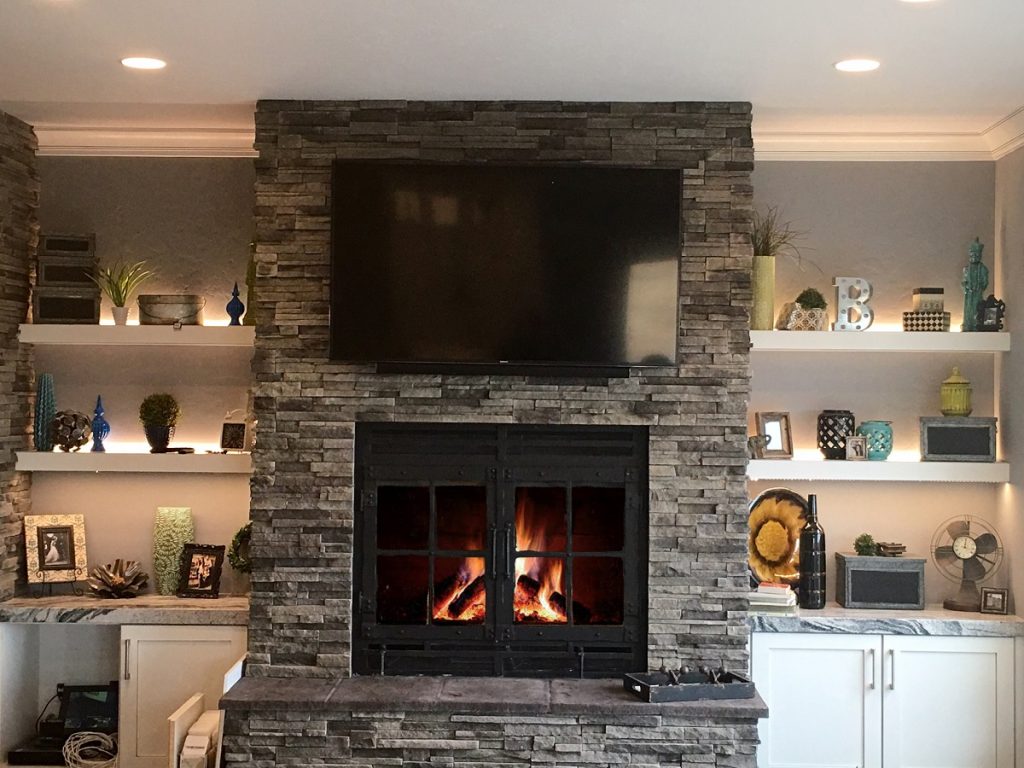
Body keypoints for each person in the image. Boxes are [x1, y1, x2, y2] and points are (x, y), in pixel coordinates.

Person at [961, 238, 988, 331]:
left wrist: (979, 287)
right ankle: (967, 325)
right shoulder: (966, 269)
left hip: (978, 294)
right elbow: (963, 282)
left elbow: (985, 282)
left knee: (977, 310)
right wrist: (966, 287)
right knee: (968, 310)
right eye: (972, 254)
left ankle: (976, 325)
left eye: (977, 254)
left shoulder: (983, 269)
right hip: (969, 295)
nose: (975, 256)